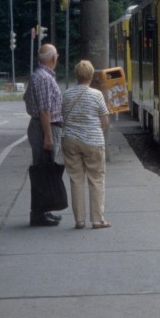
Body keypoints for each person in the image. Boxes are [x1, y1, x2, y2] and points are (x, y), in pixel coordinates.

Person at [61, 59, 110, 230]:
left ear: (76, 75)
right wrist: (96, 132)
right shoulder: (96, 95)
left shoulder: (67, 94)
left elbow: (63, 116)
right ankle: (97, 220)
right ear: (91, 76)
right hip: (93, 142)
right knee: (96, 179)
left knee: (76, 180)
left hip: (71, 141)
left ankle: (79, 220)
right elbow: (104, 120)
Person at [24, 43, 64, 227]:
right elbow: (45, 110)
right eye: (57, 55)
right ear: (53, 58)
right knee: (42, 171)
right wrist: (48, 136)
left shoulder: (39, 76)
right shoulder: (44, 79)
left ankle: (44, 210)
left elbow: (26, 100)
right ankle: (38, 213)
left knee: (45, 169)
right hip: (45, 128)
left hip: (41, 126)